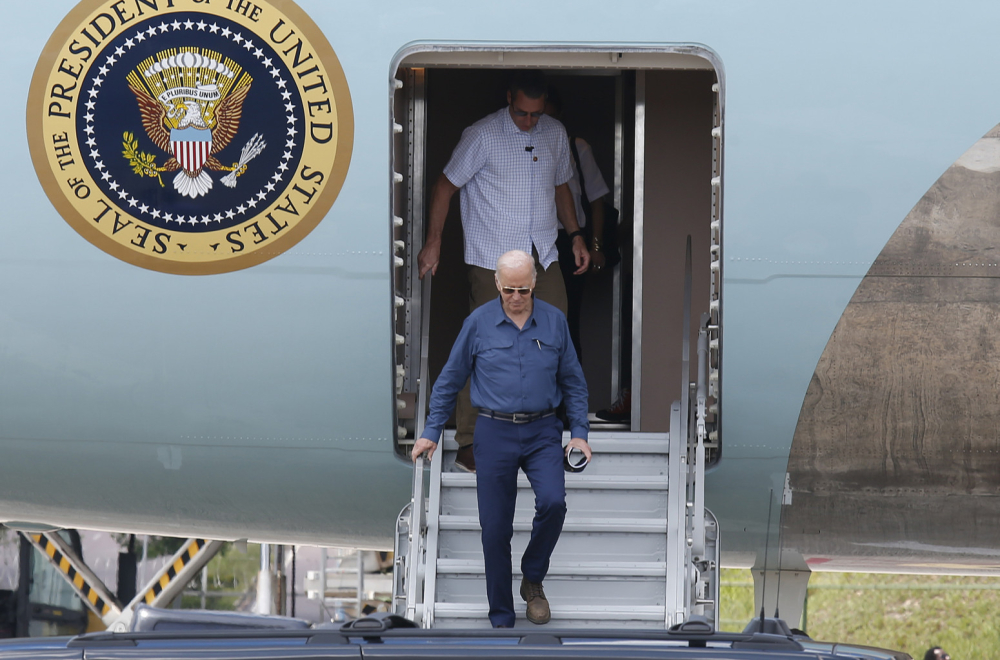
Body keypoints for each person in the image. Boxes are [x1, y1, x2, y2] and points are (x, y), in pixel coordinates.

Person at [417, 71, 591, 473]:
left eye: (536, 113)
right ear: (508, 98)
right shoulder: (482, 135)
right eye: (521, 112)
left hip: (543, 255)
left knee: (555, 338)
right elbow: (445, 186)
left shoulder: (554, 132)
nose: (529, 120)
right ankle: (469, 443)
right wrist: (434, 241)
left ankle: (551, 432)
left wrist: (577, 235)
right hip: (492, 258)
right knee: (484, 346)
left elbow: (562, 186)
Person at [411, 250, 592, 628]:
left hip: (543, 430)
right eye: (508, 289)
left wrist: (579, 434)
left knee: (554, 503)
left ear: (534, 284)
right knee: (495, 528)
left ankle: (532, 576)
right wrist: (431, 432)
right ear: (496, 284)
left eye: (523, 290)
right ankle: (501, 619)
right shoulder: (478, 323)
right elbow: (449, 379)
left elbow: (573, 382)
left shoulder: (555, 322)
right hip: (493, 431)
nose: (515, 297)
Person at [544, 86, 611, 364]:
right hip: (533, 239)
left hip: (570, 240)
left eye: (547, 118)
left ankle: (569, 404)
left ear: (559, 117)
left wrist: (594, 244)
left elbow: (596, 199)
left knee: (568, 321)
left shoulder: (575, 146)